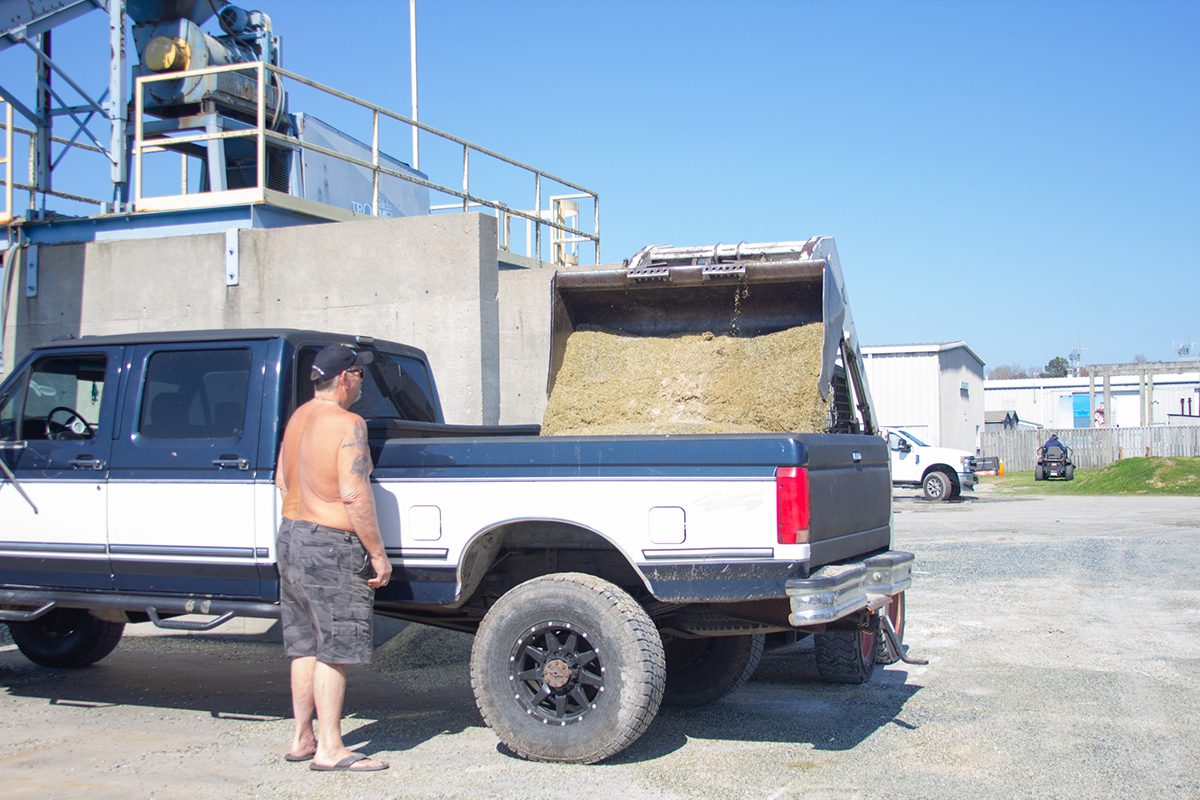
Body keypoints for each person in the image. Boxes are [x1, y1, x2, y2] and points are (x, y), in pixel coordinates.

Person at [275, 344, 393, 772]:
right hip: (330, 544)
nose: (362, 381)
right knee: (335, 647)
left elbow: (281, 481)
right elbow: (354, 493)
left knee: (304, 643)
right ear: (345, 378)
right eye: (360, 374)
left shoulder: (298, 419)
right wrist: (378, 555)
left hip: (291, 536)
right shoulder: (349, 424)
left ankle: (302, 737)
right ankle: (330, 748)